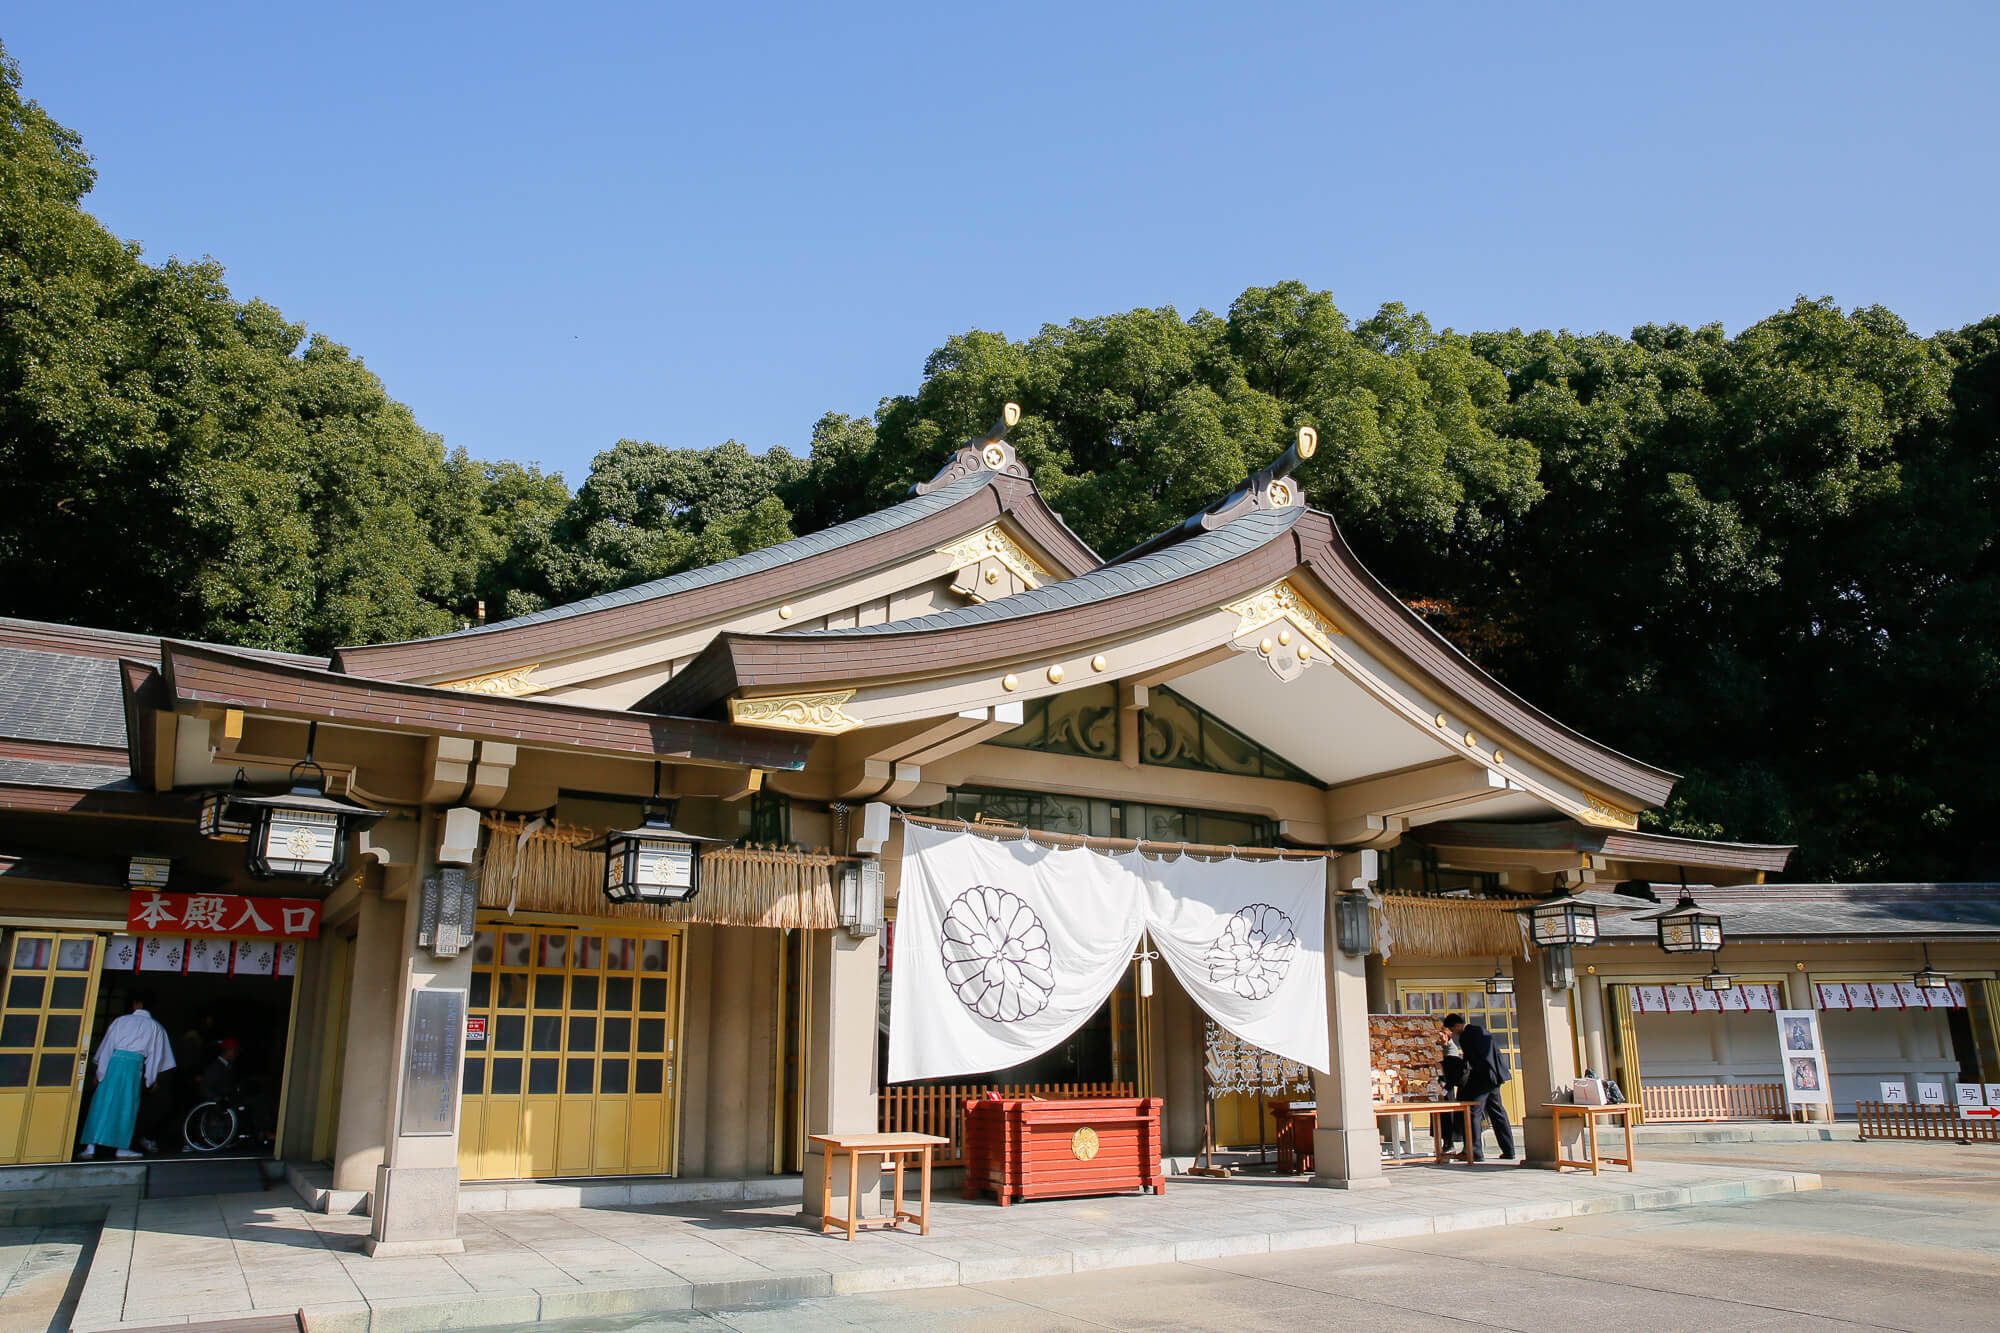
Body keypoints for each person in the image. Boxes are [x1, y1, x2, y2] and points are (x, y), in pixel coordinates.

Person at [78, 993, 176, 1159]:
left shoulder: (121, 1021)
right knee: (127, 1107)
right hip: (134, 1068)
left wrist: (100, 1071)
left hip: (113, 1064)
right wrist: (151, 1078)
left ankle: (91, 1146)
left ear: (136, 1004)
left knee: (101, 1103)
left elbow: (108, 1046)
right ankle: (121, 1147)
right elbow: (156, 1056)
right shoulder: (155, 1027)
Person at [1442, 1012, 1514, 1162]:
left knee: (1473, 1111)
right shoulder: (1480, 1030)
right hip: (1494, 1076)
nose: (1453, 1033)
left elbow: (1476, 1059)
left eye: (1452, 1029)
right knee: (1497, 1112)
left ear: (1457, 1025)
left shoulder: (1468, 1034)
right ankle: (1509, 1150)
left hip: (1484, 1078)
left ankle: (1475, 1151)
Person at [1438, 1027, 1467, 1153]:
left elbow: (1452, 1075)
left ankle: (1450, 1143)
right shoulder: (1437, 1047)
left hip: (1448, 1085)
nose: (1441, 1037)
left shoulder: (1451, 1050)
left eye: (1443, 1034)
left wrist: (1444, 1089)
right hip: (1440, 1083)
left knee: (1449, 1113)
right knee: (1440, 1115)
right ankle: (1445, 1142)